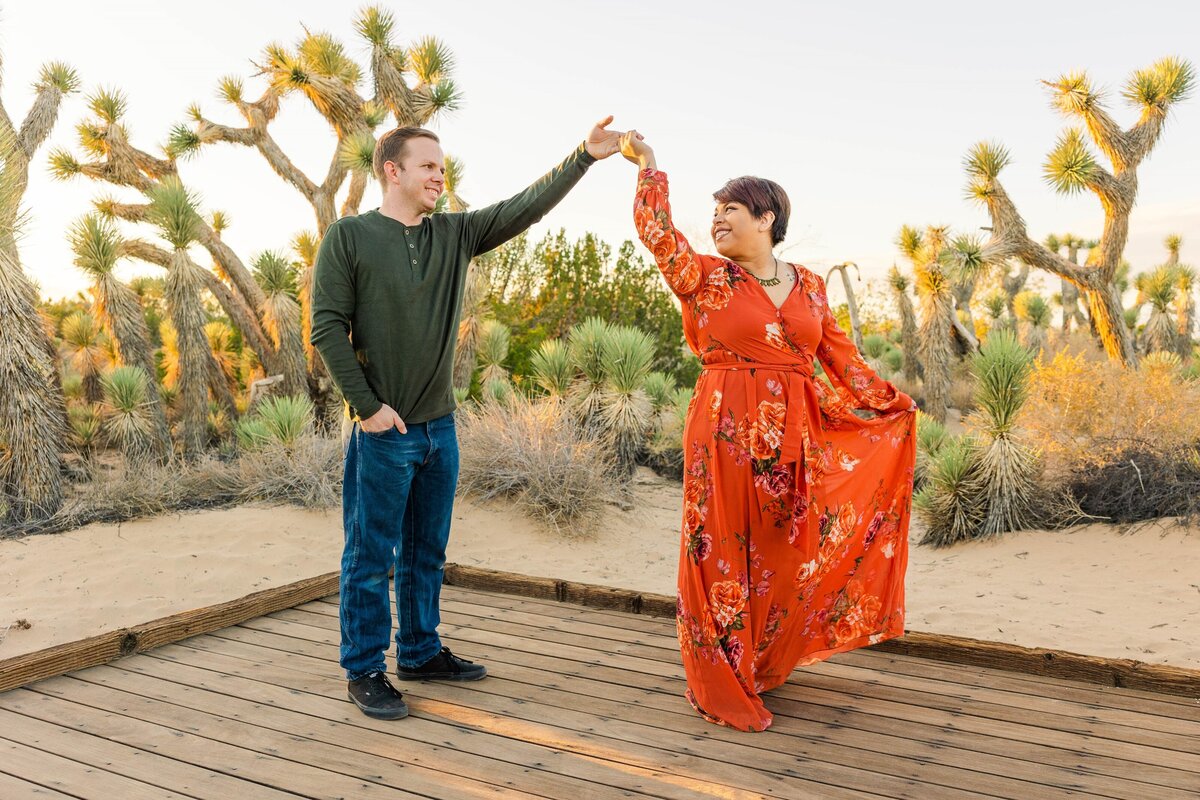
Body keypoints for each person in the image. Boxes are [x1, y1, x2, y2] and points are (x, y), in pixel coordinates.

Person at [312, 118, 626, 719]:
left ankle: (421, 651)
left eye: (441, 165)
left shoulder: (453, 234)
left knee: (426, 552)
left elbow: (523, 208)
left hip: (440, 429)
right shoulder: (349, 237)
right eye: (428, 165)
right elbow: (326, 326)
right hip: (385, 433)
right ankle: (365, 669)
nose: (439, 174)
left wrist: (584, 156)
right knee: (370, 556)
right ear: (392, 170)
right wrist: (368, 409)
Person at [619, 131, 917, 732]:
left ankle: (760, 661)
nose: (717, 220)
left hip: (793, 433)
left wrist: (889, 402)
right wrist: (650, 167)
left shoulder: (808, 284)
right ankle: (719, 679)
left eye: (730, 209)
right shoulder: (703, 277)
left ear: (766, 217)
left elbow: (838, 353)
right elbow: (658, 235)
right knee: (721, 549)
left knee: (788, 550)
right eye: (714, 211)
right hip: (724, 427)